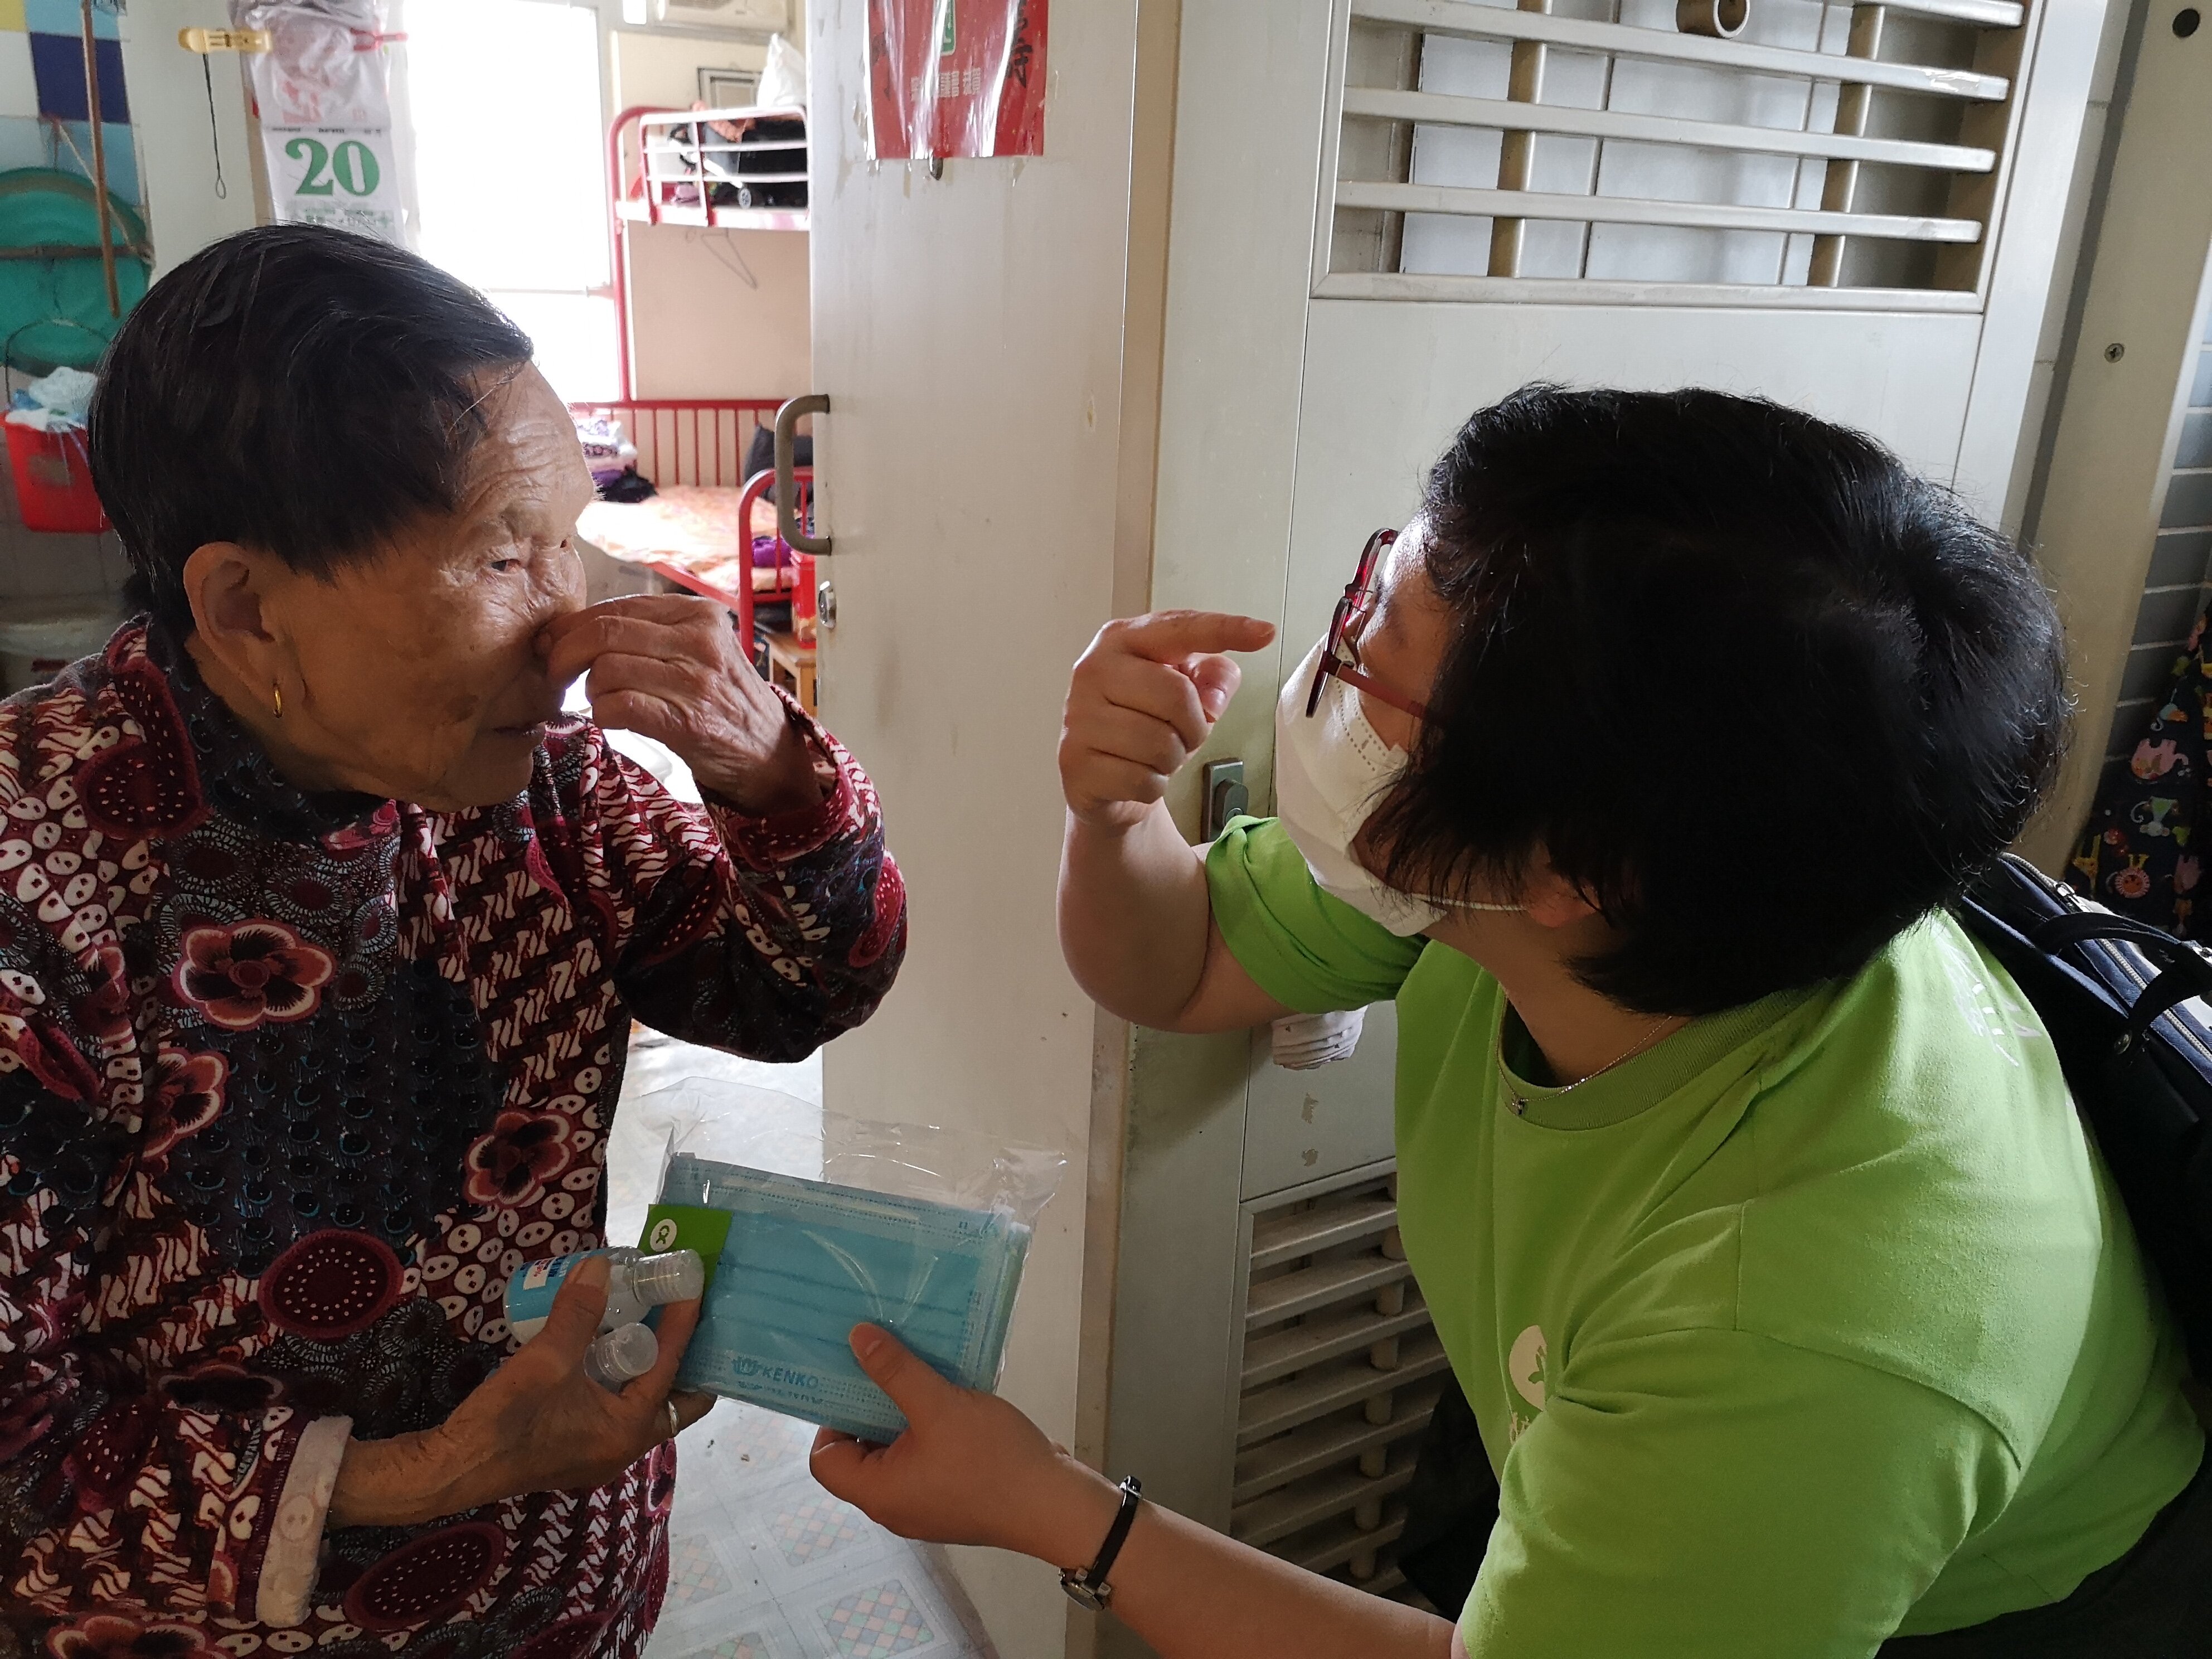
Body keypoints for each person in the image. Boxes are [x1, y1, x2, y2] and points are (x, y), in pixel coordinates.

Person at [811, 386, 2211, 1657]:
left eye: (1374, 653)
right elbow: (1176, 969)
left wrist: (1058, 1511)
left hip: (2012, 1609)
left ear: (1565, 876)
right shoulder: (1537, 885)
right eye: (1378, 578)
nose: (1327, 657)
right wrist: (1110, 814)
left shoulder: (1798, 1325)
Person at [0, 225, 906, 1658]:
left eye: (571, 543)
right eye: (501, 558)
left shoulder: (535, 782)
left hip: (569, 1583)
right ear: (242, 608)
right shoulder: (36, 880)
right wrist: (446, 1470)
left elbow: (797, 990)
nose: (573, 633)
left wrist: (769, 776)